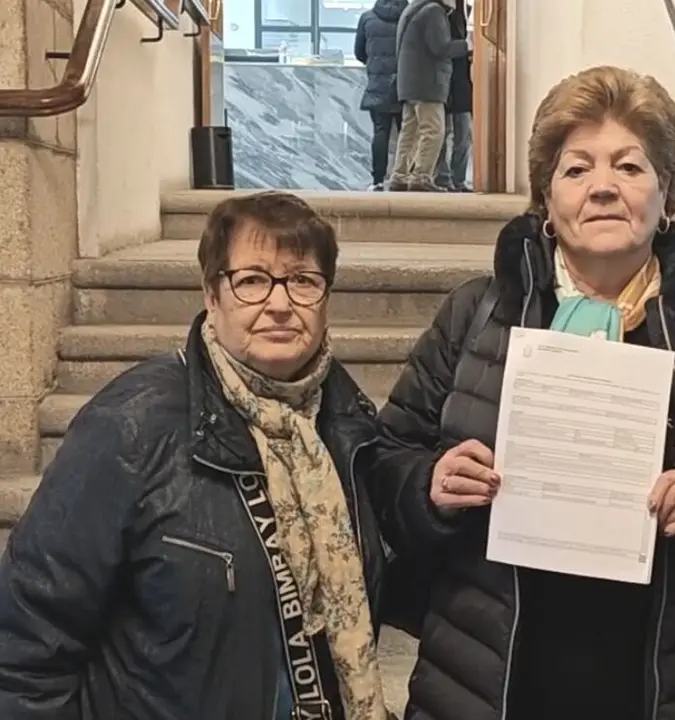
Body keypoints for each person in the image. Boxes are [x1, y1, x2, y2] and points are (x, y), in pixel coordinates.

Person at [371, 65, 675, 720]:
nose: (603, 188)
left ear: (666, 194)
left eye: (630, 168)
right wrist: (429, 483)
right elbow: (387, 460)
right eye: (577, 169)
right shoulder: (474, 318)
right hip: (488, 688)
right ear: (546, 200)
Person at [0, 192, 408, 720]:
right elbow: (28, 639)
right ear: (212, 295)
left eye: (303, 281)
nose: (280, 304)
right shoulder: (132, 427)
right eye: (253, 280)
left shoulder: (347, 426)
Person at [389, 0, 469, 192]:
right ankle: (421, 176)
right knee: (433, 131)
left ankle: (399, 175)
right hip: (428, 83)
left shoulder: (412, 8)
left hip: (409, 84)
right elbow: (441, 48)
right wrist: (468, 45)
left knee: (410, 132)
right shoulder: (434, 11)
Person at [355, 0, 408, 192]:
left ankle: (377, 180)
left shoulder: (367, 18)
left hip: (378, 84)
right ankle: (404, 177)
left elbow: (359, 53)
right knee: (407, 134)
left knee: (380, 132)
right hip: (404, 85)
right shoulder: (409, 16)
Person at [433, 0, 473, 192]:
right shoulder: (440, 13)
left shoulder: (470, 12)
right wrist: (467, 46)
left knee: (462, 135)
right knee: (443, 133)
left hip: (462, 82)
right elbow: (442, 47)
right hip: (445, 80)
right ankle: (442, 177)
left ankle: (458, 179)